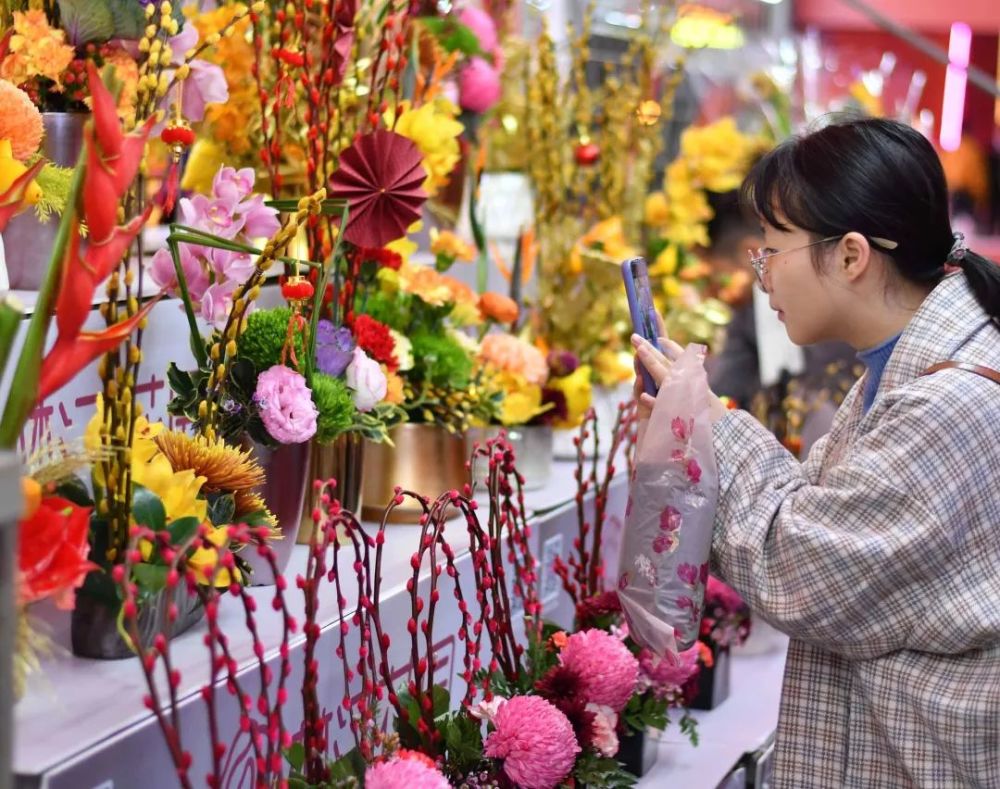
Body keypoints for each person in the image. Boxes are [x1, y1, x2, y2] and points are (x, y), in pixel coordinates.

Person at [632, 117, 1000, 787]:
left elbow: (804, 569)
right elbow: (832, 514)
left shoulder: (949, 404)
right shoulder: (912, 369)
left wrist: (710, 429)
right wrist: (705, 420)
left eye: (771, 246)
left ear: (852, 255)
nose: (760, 271)